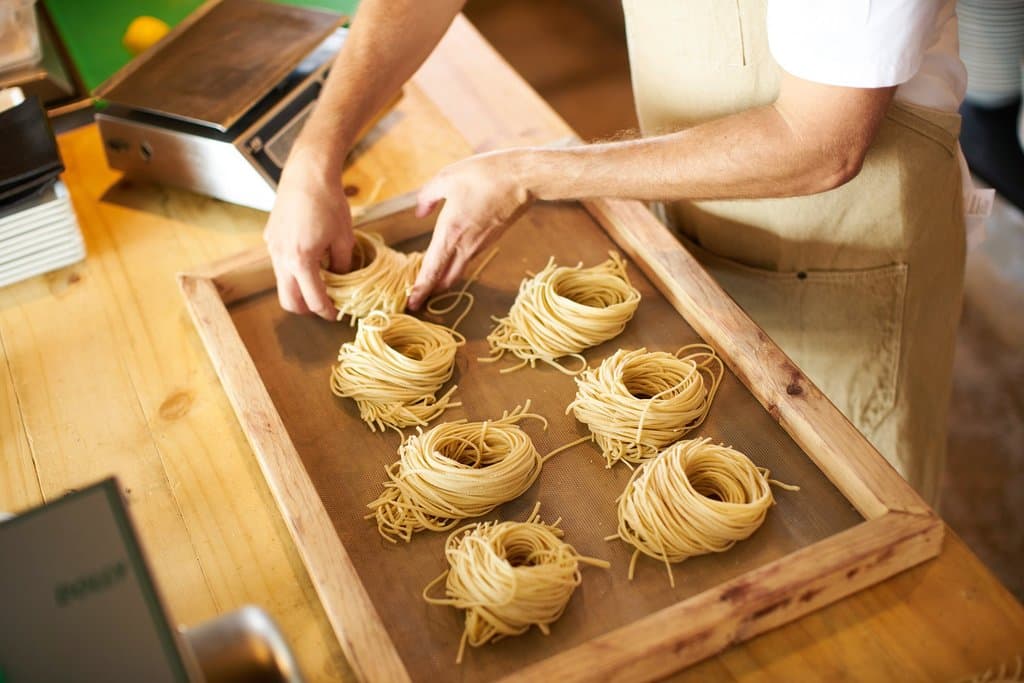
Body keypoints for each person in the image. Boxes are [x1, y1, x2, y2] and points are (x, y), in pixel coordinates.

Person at [263, 0, 967, 506]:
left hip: (842, 248)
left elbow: (821, 143)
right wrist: (315, 152)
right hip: (686, 195)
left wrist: (532, 174)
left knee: (848, 525)